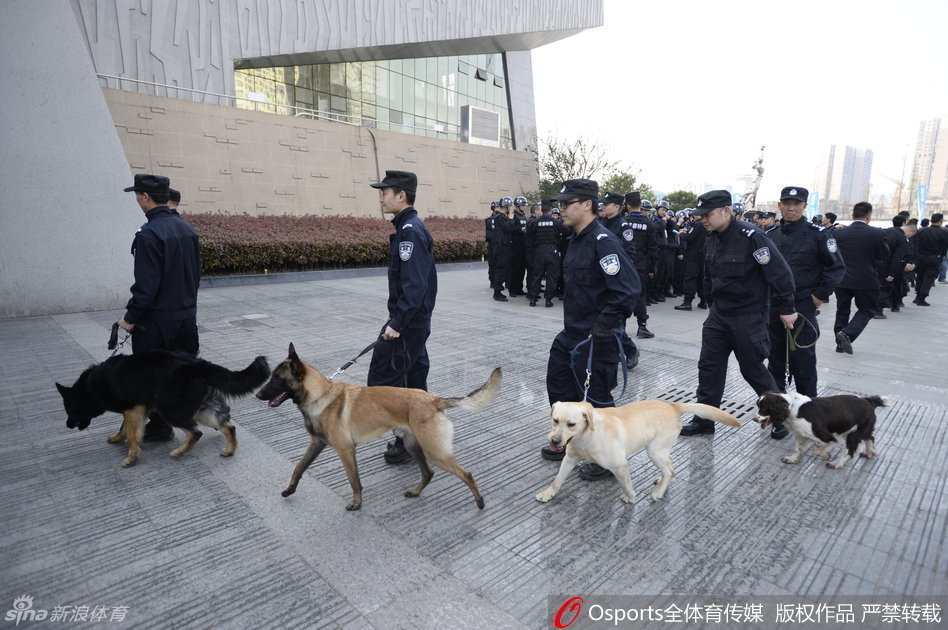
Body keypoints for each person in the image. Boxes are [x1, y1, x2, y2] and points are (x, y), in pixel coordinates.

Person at [539, 179, 640, 481]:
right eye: (559, 204)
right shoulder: (576, 239)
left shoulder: (603, 241)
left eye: (566, 204)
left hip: (597, 337)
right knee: (560, 388)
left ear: (586, 205)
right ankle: (570, 441)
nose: (561, 210)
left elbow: (628, 289)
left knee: (597, 400)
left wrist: (603, 325)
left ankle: (607, 458)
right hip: (572, 332)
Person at [680, 190, 797, 436]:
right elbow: (709, 275)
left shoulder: (752, 237)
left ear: (726, 211)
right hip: (718, 316)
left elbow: (780, 273)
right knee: (709, 367)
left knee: (752, 369)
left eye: (708, 215)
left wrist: (787, 309)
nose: (703, 220)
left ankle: (780, 417)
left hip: (748, 317)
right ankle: (705, 419)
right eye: (701, 215)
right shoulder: (711, 237)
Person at [119, 174, 201, 442]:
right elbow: (196, 276)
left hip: (156, 323)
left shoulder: (149, 234)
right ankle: (188, 418)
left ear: (145, 197)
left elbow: (146, 285)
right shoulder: (188, 230)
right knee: (183, 372)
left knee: (151, 375)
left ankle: (160, 426)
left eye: (137, 195)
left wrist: (130, 318)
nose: (137, 200)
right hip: (186, 318)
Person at [367, 170, 438, 464]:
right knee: (414, 376)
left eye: (386, 191)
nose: (381, 197)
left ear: (401, 196)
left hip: (407, 323)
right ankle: (418, 437)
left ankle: (406, 439)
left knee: (384, 380)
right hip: (413, 321)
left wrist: (397, 323)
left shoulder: (410, 231)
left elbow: (415, 284)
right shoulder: (408, 227)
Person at [765, 187, 845, 438]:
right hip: (773, 307)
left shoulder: (818, 235)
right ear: (779, 205)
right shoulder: (770, 235)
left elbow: (836, 269)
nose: (791, 208)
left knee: (803, 364)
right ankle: (778, 416)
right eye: (787, 203)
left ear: (804, 206)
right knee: (775, 362)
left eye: (796, 204)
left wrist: (818, 296)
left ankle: (810, 416)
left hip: (802, 307)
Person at [832, 202, 889, 354]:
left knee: (842, 310)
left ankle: (839, 344)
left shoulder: (839, 233)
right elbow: (884, 255)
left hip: (842, 278)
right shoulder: (877, 234)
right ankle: (847, 334)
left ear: (853, 215)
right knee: (867, 309)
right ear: (869, 216)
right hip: (866, 278)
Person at [597, 191, 641, 369]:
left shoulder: (624, 226)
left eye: (606, 204)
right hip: (601, 281)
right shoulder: (601, 224)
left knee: (615, 323)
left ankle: (630, 350)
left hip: (616, 281)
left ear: (616, 207)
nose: (603, 207)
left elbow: (629, 254)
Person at [622, 192, 656, 338]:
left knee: (622, 294)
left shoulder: (623, 222)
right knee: (640, 295)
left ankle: (620, 327)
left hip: (624, 265)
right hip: (641, 265)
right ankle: (642, 327)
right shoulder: (649, 223)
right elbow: (653, 248)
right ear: (641, 205)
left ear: (627, 206)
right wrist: (652, 268)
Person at [526, 200, 568, 307]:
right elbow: (567, 231)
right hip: (552, 252)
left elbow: (529, 233)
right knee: (551, 276)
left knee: (537, 275)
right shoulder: (556, 222)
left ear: (542, 210)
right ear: (550, 210)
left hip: (539, 252)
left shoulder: (535, 222)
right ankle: (548, 300)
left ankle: (533, 299)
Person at [913, 212, 948, 306]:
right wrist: (942, 255)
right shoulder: (944, 232)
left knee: (920, 276)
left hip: (920, 257)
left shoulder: (922, 231)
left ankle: (917, 296)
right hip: (934, 257)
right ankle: (922, 298)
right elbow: (945, 246)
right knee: (929, 277)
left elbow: (915, 244)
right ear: (941, 221)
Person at [675, 212, 708, 310]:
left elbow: (690, 238)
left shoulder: (697, 224)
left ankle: (687, 302)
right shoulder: (705, 224)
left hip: (693, 255)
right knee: (700, 279)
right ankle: (703, 301)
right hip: (702, 255)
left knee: (690, 278)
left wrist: (681, 234)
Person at [490, 197, 514, 301]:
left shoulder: (498, 217)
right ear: (506, 206)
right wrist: (511, 219)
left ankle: (498, 290)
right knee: (501, 269)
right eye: (510, 206)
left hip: (501, 247)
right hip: (502, 247)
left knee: (502, 269)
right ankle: (497, 292)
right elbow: (508, 229)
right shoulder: (500, 217)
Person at [508, 196, 530, 297]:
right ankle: (512, 289)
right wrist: (520, 230)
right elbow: (511, 229)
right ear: (517, 205)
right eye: (522, 205)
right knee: (515, 269)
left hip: (523, 245)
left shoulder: (522, 216)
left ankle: (519, 288)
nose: (524, 207)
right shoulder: (513, 215)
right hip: (515, 246)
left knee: (521, 269)